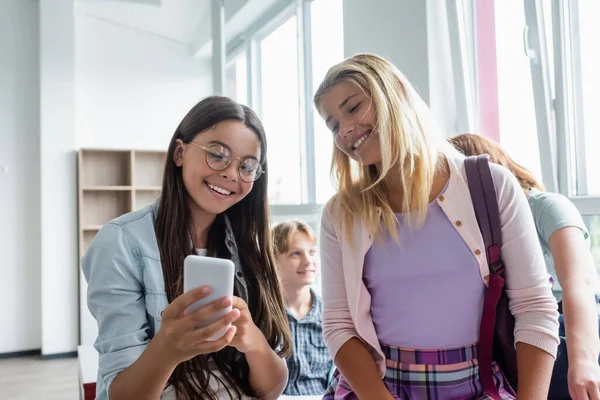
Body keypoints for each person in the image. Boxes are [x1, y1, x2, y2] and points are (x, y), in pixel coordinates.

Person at [312, 53, 560, 399]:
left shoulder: (492, 185)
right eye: (333, 125)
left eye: (352, 108)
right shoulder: (340, 214)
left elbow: (534, 307)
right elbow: (339, 326)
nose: (345, 130)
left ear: (395, 91)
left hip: (479, 385)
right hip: (379, 388)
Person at [82, 96, 291, 400]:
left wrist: (253, 341)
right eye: (218, 154)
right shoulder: (120, 243)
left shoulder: (250, 247)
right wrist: (168, 348)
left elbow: (271, 389)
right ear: (179, 152)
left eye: (248, 166)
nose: (232, 174)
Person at [450, 132, 600, 400]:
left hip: (569, 326)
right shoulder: (475, 227)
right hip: (514, 333)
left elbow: (578, 283)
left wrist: (583, 361)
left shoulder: (545, 206)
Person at [272, 220, 334, 395]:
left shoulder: (331, 314)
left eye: (312, 252)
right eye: (295, 254)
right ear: (274, 260)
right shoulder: (264, 316)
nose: (308, 261)